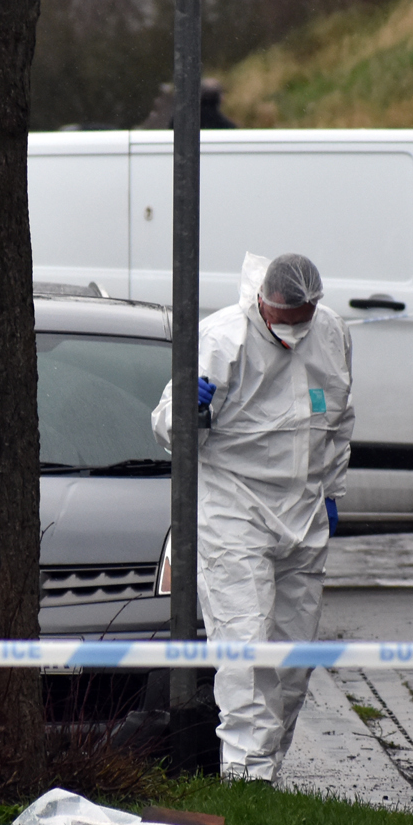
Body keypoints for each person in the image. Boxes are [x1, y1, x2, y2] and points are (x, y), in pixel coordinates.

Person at [152, 252, 355, 784]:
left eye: (303, 318)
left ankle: (268, 773)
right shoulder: (222, 340)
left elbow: (337, 419)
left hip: (303, 511)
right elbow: (169, 431)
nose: (293, 330)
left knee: (293, 659)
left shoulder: (330, 334)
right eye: (284, 320)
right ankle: (245, 777)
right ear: (262, 303)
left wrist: (331, 491)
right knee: (245, 649)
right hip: (234, 511)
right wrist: (185, 412)